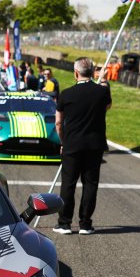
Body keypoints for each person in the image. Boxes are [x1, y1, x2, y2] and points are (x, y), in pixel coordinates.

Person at [53, 57, 112, 236]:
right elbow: (108, 106)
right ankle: (85, 224)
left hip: (72, 144)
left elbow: (58, 122)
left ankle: (64, 223)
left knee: (68, 184)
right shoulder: (101, 92)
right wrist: (103, 81)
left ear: (75, 73)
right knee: (90, 184)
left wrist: (63, 142)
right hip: (94, 145)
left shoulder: (66, 94)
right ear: (92, 72)